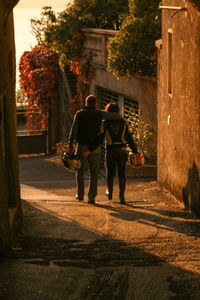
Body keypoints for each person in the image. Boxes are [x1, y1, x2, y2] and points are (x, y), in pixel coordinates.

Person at [68, 95, 122, 204]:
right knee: (94, 173)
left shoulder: (79, 114)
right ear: (96, 103)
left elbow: (73, 131)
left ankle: (80, 195)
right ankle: (92, 197)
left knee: (80, 170)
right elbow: (116, 116)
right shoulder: (100, 113)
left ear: (86, 103)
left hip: (82, 146)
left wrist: (71, 145)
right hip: (95, 148)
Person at [85, 102, 138, 204]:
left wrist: (90, 149)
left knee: (110, 173)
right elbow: (129, 138)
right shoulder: (124, 122)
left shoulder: (104, 124)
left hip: (110, 150)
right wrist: (135, 150)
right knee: (122, 174)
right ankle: (122, 196)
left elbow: (99, 138)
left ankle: (110, 192)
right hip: (122, 150)